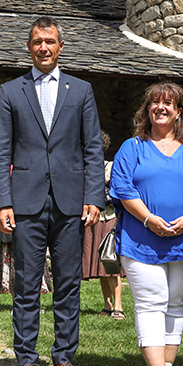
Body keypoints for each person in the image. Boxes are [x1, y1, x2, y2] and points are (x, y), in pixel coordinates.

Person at [0, 16, 105, 366]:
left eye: (50, 41)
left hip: (71, 201)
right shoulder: (11, 91)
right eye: (37, 41)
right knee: (26, 284)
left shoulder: (81, 90)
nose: (44, 47)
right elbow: (1, 150)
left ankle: (64, 360)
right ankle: (26, 361)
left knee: (68, 284)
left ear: (60, 46)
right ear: (29, 47)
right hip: (25, 200)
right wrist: (2, 202)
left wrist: (93, 196)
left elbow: (91, 149)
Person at [109, 82, 183, 366]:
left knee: (176, 301)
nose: (160, 107)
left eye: (168, 103)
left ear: (179, 111)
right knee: (151, 300)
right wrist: (149, 219)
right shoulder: (132, 147)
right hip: (141, 238)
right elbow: (122, 187)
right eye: (154, 103)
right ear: (146, 110)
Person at [81, 131, 124, 319]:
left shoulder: (111, 166)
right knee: (100, 265)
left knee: (111, 262)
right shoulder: (84, 169)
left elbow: (123, 190)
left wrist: (109, 181)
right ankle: (107, 305)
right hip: (92, 220)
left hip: (110, 217)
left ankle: (118, 306)